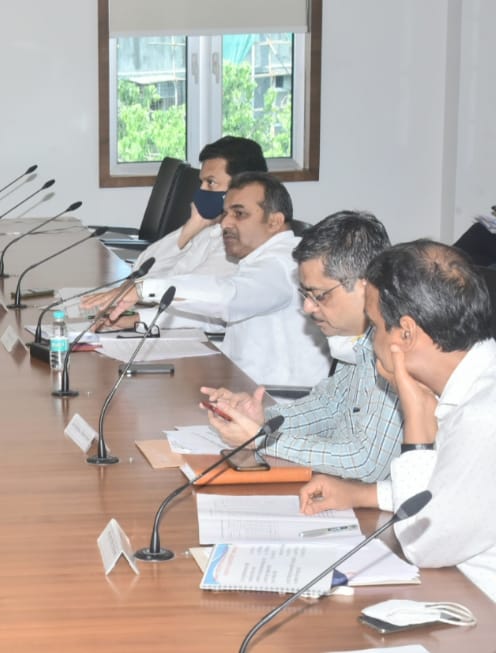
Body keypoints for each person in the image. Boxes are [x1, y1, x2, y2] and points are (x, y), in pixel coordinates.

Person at [299, 241, 496, 602]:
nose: (370, 339)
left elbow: (423, 542)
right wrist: (362, 494)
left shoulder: (482, 417)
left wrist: (417, 423)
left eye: (374, 326)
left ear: (405, 333)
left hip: (479, 607)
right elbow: (456, 494)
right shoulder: (477, 380)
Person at [200, 211, 402, 482]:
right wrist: (262, 419)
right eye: (305, 295)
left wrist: (262, 440)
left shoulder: (397, 348)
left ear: (366, 286)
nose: (307, 308)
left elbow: (366, 462)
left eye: (319, 296)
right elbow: (329, 406)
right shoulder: (353, 338)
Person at [86, 171, 329, 388]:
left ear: (274, 221)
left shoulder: (284, 265)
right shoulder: (260, 259)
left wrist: (144, 289)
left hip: (274, 401)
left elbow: (229, 299)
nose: (226, 223)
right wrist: (138, 319)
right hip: (239, 387)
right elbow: (219, 318)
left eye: (239, 214)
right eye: (225, 214)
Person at [135, 136, 267, 278]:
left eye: (210, 182)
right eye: (201, 182)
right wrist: (191, 228)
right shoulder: (208, 227)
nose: (201, 190)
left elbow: (189, 287)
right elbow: (140, 269)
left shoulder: (241, 242)